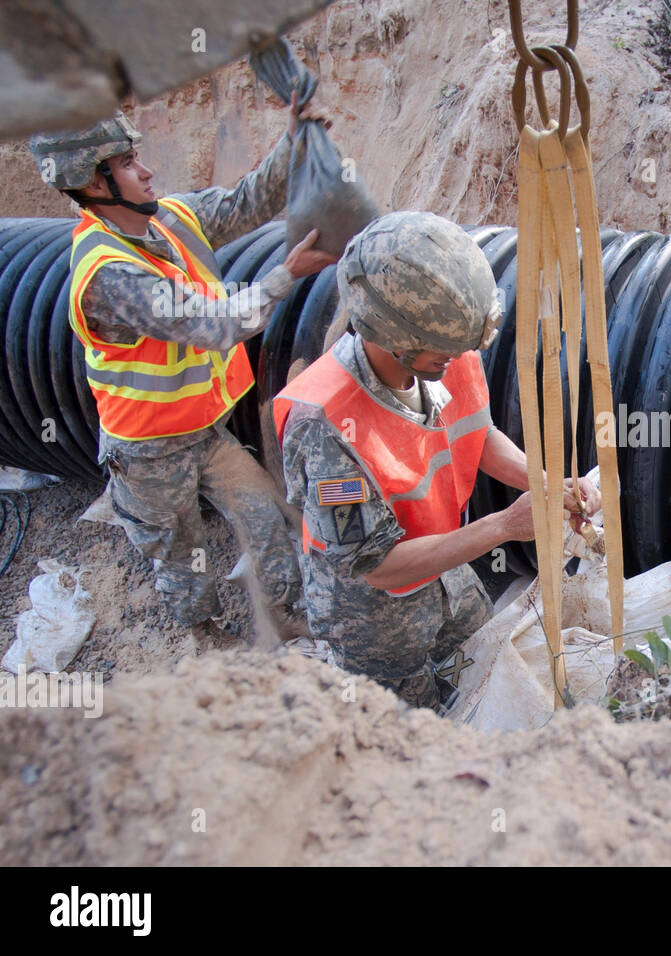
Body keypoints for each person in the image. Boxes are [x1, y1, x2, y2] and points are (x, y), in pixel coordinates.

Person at [28, 100, 337, 636]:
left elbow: (245, 203)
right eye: (126, 163)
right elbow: (211, 326)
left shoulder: (170, 220)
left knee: (265, 518)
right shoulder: (109, 274)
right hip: (147, 453)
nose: (145, 170)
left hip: (206, 433)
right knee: (179, 553)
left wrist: (294, 143)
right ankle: (205, 632)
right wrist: (286, 274)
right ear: (94, 182)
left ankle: (288, 617)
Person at [274, 211, 599, 711]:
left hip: (445, 570)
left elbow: (475, 433)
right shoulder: (324, 427)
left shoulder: (445, 346)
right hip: (371, 615)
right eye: (441, 353)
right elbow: (378, 568)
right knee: (409, 719)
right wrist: (505, 526)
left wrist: (550, 483)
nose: (458, 359)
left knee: (479, 665)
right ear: (394, 339)